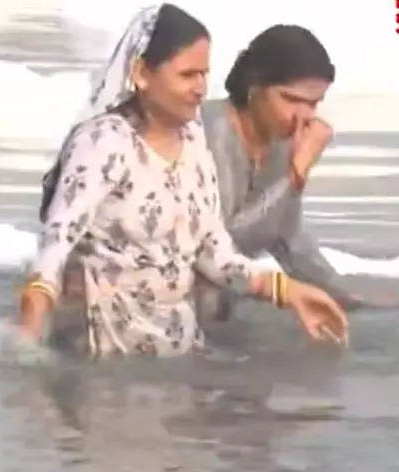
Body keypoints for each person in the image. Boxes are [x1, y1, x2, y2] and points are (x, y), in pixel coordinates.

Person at [20, 4, 347, 358]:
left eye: (204, 74)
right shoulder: (104, 141)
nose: (201, 88)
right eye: (188, 75)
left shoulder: (192, 140)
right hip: (106, 358)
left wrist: (294, 292)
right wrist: (29, 330)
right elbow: (57, 240)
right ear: (142, 73)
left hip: (179, 351)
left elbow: (216, 250)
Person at [197, 24, 374, 319]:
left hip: (222, 301)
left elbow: (288, 236)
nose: (304, 116)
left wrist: (344, 299)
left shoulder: (282, 141)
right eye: (291, 99)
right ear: (254, 90)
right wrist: (294, 175)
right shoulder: (209, 133)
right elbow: (223, 245)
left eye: (314, 103)